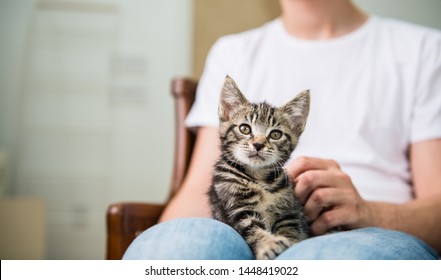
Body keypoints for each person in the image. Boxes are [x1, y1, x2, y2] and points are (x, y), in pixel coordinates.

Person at [123, 0, 441, 259]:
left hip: (364, 233)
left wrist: (368, 212)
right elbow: (198, 191)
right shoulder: (232, 51)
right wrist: (166, 245)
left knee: (330, 258)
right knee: (182, 245)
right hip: (238, 220)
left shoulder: (424, 50)